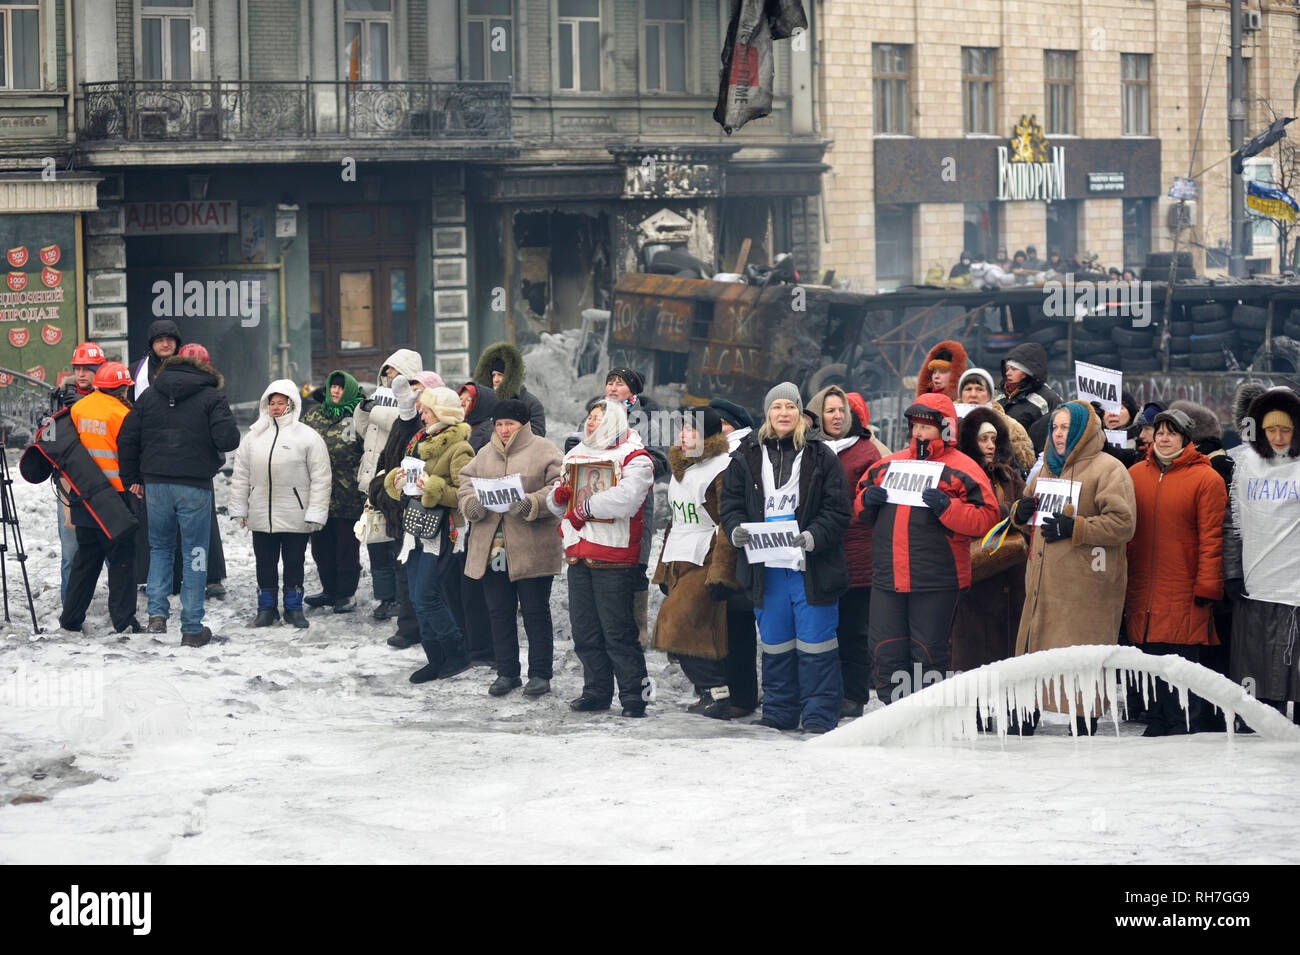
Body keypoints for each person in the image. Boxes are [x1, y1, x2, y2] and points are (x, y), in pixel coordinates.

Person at [721, 383, 851, 733]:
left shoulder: (822, 455)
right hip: (767, 569)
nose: (783, 413)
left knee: (816, 645)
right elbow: (730, 505)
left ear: (800, 413)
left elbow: (838, 511)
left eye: (790, 407)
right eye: (776, 407)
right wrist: (735, 531)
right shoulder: (745, 455)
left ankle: (819, 719)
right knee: (776, 645)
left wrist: (813, 537)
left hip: (811, 567)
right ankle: (779, 715)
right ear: (768, 412)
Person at [856, 393, 999, 705]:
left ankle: (930, 715)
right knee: (886, 650)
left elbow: (986, 517)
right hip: (887, 577)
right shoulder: (887, 465)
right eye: (915, 426)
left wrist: (948, 507)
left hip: (937, 579)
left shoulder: (965, 468)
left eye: (926, 427)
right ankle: (893, 713)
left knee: (928, 653)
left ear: (945, 429)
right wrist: (867, 501)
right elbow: (860, 504)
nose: (919, 433)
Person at [1008, 401, 1136, 734]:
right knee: (1035, 654)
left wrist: (1075, 528)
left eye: (1066, 427)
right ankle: (1025, 715)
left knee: (1080, 657)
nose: (1059, 433)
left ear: (1083, 430)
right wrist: (1020, 516)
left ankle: (1083, 722)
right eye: (1055, 427)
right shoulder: (1047, 469)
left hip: (1087, 587)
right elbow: (1031, 520)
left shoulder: (1108, 469)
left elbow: (1123, 523)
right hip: (1043, 583)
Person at [117, 345, 240, 647]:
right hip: (194, 485)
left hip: (156, 484)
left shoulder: (149, 396)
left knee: (159, 548)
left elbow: (127, 438)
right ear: (204, 370)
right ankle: (192, 626)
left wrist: (132, 478)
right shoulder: (212, 397)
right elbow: (228, 438)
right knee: (195, 552)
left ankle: (157, 615)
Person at [1123, 409, 1227, 735]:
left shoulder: (1206, 478)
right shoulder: (1135, 474)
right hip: (1143, 585)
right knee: (1149, 658)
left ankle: (1183, 721)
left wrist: (1207, 586)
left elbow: (1212, 539)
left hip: (1184, 586)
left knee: (1180, 662)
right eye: (1160, 432)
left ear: (1186, 438)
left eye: (1172, 432)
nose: (1164, 438)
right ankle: (1156, 718)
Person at [548, 399, 654, 717]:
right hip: (579, 553)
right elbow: (558, 498)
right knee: (585, 631)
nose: (592, 422)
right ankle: (596, 690)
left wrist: (585, 508)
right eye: (590, 417)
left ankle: (635, 695)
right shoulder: (576, 453)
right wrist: (559, 497)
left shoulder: (636, 456)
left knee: (618, 631)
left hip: (614, 554)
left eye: (599, 417)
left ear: (616, 420)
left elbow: (627, 499)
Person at [458, 399, 564, 697]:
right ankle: (507, 672)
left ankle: (540, 674)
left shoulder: (545, 449)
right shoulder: (484, 452)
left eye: (510, 424)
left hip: (532, 546)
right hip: (492, 547)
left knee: (534, 611)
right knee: (499, 611)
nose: (504, 430)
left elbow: (560, 487)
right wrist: (470, 504)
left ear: (523, 425)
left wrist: (531, 502)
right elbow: (465, 482)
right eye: (500, 424)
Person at [651, 408, 741, 719]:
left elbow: (728, 522)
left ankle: (718, 691)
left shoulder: (722, 467)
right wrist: (664, 568)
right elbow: (675, 521)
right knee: (690, 631)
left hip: (706, 556)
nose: (682, 436)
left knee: (676, 623)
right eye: (681, 430)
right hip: (680, 557)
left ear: (707, 436)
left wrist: (721, 570)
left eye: (690, 430)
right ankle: (708, 694)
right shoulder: (683, 468)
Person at [385, 386, 475, 682]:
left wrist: (431, 487)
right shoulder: (418, 439)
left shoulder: (460, 447)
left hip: (442, 529)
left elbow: (463, 494)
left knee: (426, 595)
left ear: (442, 413)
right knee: (415, 595)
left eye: (427, 410)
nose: (421, 414)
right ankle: (435, 658)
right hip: (415, 525)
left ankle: (456, 651)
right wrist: (397, 479)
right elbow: (405, 474)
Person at [1223, 387, 1300, 724]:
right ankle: (1257, 718)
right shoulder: (1246, 466)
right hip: (1255, 581)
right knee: (1256, 657)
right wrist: (1231, 572)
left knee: (1292, 657)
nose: (1279, 437)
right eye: (1271, 430)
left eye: (1286, 429)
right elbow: (1231, 524)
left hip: (1294, 581)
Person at [228, 380, 331, 629]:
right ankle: (266, 608)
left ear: (291, 404)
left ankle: (294, 609)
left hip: (295, 514)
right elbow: (241, 475)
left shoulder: (307, 437)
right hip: (261, 514)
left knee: (294, 563)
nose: (275, 407)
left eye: (281, 402)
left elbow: (321, 477)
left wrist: (316, 512)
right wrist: (240, 508)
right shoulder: (253, 438)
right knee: (265, 564)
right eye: (271, 403)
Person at [807, 385, 881, 718]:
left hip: (856, 553)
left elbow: (868, 501)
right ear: (817, 414)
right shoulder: (807, 449)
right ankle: (823, 692)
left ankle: (853, 694)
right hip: (817, 552)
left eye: (841, 411)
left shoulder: (867, 452)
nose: (837, 416)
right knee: (821, 629)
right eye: (830, 410)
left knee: (853, 629)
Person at [60, 362, 141, 634]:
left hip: (84, 496)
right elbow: (130, 458)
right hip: (116, 499)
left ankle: (70, 619)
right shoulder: (123, 414)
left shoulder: (79, 408)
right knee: (121, 561)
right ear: (122, 388)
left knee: (86, 560)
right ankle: (123, 620)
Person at [354, 349, 430, 621]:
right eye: (385, 370)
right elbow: (362, 428)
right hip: (374, 476)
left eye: (392, 369)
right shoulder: (378, 397)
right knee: (375, 543)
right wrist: (363, 409)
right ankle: (385, 598)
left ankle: (403, 600)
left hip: (397, 479)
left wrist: (375, 411)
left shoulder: (415, 397)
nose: (387, 374)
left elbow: (401, 420)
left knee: (397, 545)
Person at [950, 407, 1027, 673]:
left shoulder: (1010, 477)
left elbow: (1026, 518)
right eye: (984, 439)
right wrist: (1008, 513)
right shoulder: (957, 476)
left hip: (1009, 579)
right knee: (972, 661)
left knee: (1007, 660)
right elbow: (963, 518)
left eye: (994, 439)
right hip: (974, 579)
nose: (990, 445)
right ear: (971, 440)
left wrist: (1021, 514)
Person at [369, 371, 441, 649]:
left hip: (431, 513)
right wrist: (382, 492)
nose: (415, 399)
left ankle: (432, 630)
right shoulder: (404, 424)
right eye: (410, 394)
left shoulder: (440, 427)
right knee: (404, 571)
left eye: (420, 392)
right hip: (401, 511)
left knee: (429, 577)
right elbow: (386, 462)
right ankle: (409, 627)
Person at [707, 396, 760, 714]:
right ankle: (732, 694)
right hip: (720, 551)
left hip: (740, 550)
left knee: (739, 627)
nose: (717, 429)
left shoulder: (737, 454)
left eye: (722, 423)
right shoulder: (713, 453)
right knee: (726, 626)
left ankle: (743, 697)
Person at [302, 370, 366, 614]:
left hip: (349, 493)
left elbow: (367, 453)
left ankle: (346, 594)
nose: (336, 391)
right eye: (332, 387)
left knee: (346, 548)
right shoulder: (313, 416)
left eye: (340, 387)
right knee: (320, 547)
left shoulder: (358, 416)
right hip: (318, 494)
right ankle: (329, 590)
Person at [447, 380, 500, 664]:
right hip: (463, 518)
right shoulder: (463, 430)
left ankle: (482, 647)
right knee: (457, 586)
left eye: (469, 399)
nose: (463, 404)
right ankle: (469, 641)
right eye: (461, 399)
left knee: (475, 589)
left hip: (480, 521)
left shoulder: (487, 433)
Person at [52, 341, 108, 601]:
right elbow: (52, 443)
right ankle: (69, 607)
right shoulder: (61, 398)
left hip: (105, 483)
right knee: (71, 552)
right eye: (78, 368)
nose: (82, 373)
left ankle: (120, 608)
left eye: (89, 368)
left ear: (100, 369)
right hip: (69, 483)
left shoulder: (111, 397)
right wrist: (62, 410)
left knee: (113, 549)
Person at [957, 367, 1035, 470]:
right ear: (961, 394)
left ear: (989, 395)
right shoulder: (948, 421)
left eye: (979, 389)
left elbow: (1025, 464)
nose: (973, 395)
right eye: (968, 389)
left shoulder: (1012, 427)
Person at [472, 341, 546, 436]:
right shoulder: (483, 403)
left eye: (500, 375)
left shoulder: (531, 403)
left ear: (510, 377)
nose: (496, 380)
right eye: (493, 375)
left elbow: (537, 434)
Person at [994, 342, 1062, 442]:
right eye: (1007, 368)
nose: (1008, 373)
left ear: (1027, 373)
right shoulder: (998, 393)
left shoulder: (1049, 398)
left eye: (1014, 369)